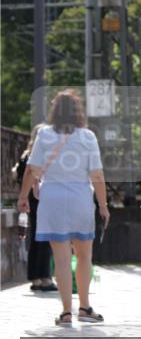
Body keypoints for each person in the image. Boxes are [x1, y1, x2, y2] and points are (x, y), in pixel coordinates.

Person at [18, 89, 111, 326]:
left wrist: (23, 197)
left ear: (55, 111)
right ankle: (85, 307)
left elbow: (31, 169)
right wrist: (103, 204)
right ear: (78, 111)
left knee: (60, 259)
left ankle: (66, 312)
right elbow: (97, 174)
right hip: (81, 197)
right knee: (84, 256)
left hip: (52, 200)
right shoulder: (88, 136)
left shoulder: (45, 135)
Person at [11, 124, 55, 291]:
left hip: (31, 199)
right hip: (39, 198)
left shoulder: (26, 156)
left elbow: (20, 177)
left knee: (37, 239)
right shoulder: (41, 156)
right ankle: (44, 278)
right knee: (43, 239)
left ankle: (36, 278)